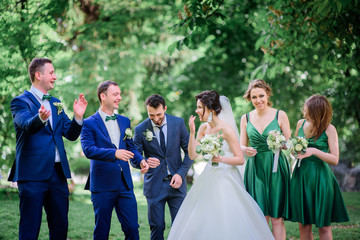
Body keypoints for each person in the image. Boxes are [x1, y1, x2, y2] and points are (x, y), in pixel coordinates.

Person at [167, 90, 274, 240]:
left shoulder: (226, 130)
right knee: (204, 215)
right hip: (209, 175)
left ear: (210, 109)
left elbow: (240, 159)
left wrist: (221, 159)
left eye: (199, 107)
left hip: (227, 177)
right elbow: (192, 155)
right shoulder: (204, 128)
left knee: (225, 214)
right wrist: (192, 133)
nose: (196, 111)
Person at [9, 57, 88, 240]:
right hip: (32, 175)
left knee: (60, 227)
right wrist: (41, 118)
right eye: (51, 73)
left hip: (58, 175)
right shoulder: (20, 102)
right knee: (30, 228)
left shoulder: (56, 102)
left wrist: (77, 117)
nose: (55, 77)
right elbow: (27, 124)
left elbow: (70, 134)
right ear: (38, 75)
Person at [80, 80, 149, 240]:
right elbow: (88, 150)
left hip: (124, 184)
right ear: (103, 96)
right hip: (102, 184)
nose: (119, 97)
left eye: (119, 94)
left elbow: (130, 147)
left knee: (132, 228)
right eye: (115, 94)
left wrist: (141, 161)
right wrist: (114, 153)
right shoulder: (89, 123)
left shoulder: (124, 121)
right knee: (102, 230)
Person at [288, 95, 349, 239]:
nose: (304, 115)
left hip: (321, 179)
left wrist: (314, 151)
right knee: (303, 224)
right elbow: (294, 148)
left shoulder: (329, 129)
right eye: (304, 111)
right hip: (301, 176)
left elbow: (334, 159)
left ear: (318, 114)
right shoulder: (300, 124)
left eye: (308, 113)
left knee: (324, 226)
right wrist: (294, 150)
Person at [133, 94, 192, 240]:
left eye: (159, 114)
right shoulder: (140, 129)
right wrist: (143, 162)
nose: (156, 119)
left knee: (180, 225)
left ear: (165, 108)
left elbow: (190, 152)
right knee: (157, 226)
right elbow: (135, 156)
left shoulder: (178, 123)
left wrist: (180, 174)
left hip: (177, 184)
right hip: (154, 185)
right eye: (151, 115)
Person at [239, 79, 291, 240]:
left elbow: (289, 144)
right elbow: (240, 145)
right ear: (249, 98)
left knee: (276, 216)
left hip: (276, 167)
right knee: (260, 216)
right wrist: (244, 149)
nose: (258, 100)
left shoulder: (280, 115)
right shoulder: (245, 118)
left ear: (268, 94)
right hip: (255, 169)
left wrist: (280, 143)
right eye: (254, 97)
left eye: (261, 95)